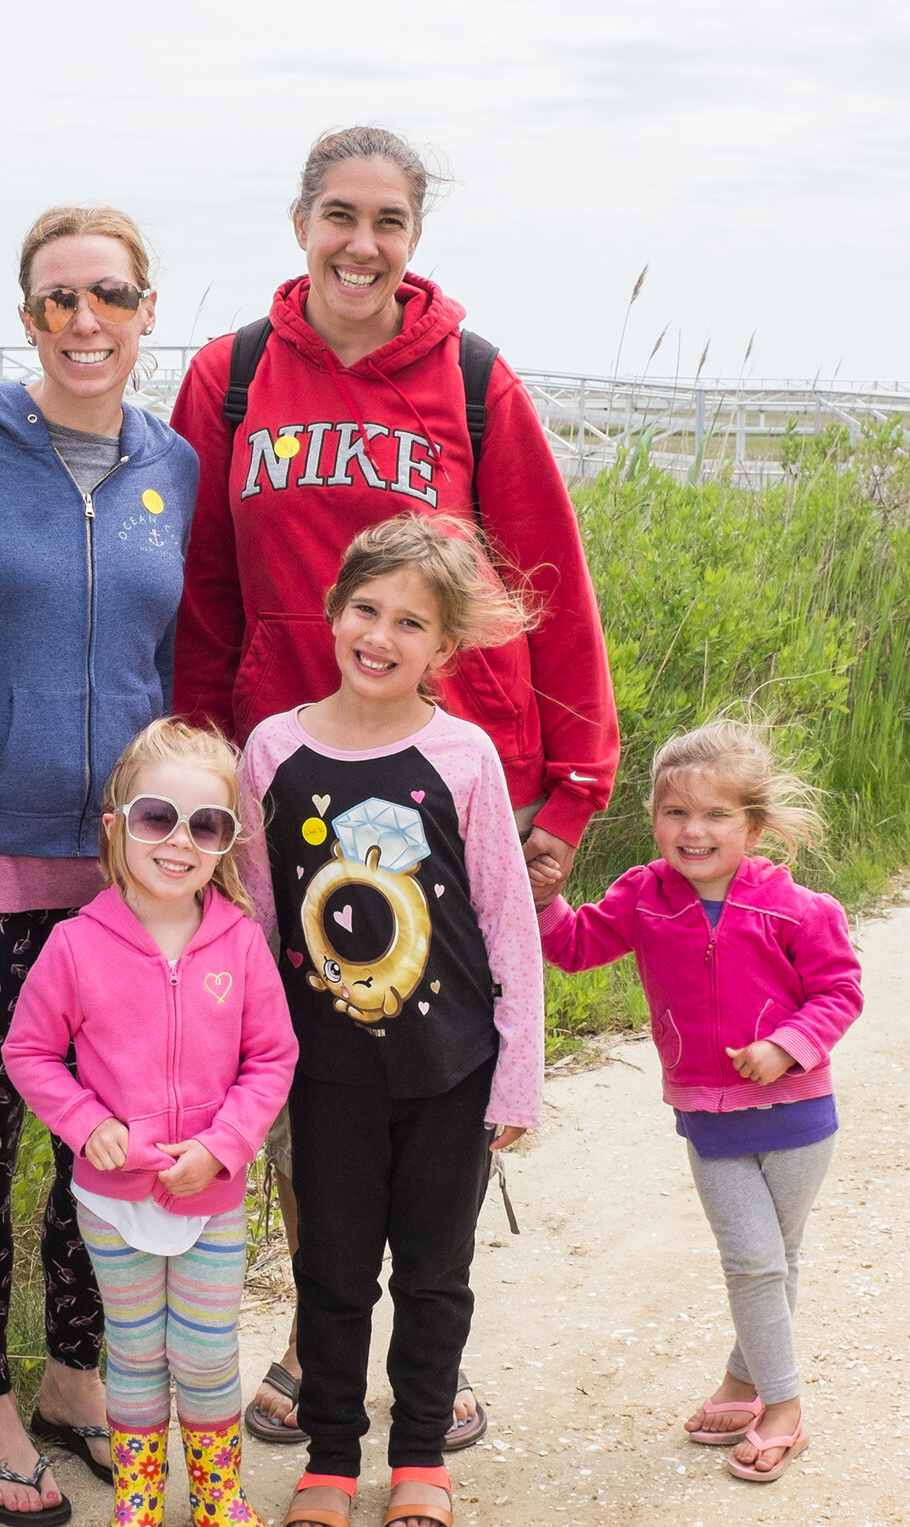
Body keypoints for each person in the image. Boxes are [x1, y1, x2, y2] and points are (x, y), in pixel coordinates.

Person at [168, 125, 619, 1449]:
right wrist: (200, 784)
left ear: (415, 238)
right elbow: (202, 590)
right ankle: (322, 1345)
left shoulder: (474, 385)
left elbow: (552, 592)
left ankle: (433, 1350)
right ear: (299, 220)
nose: (362, 244)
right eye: (340, 216)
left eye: (389, 222)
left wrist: (569, 794)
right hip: (282, 796)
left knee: (432, 1072)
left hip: (442, 799)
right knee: (309, 1076)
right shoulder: (232, 375)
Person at [0, 206, 197, 1527]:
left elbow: (167, 655)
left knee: (105, 1134)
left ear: (142, 314)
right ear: (27, 317)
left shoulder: (171, 463)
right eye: (58, 298)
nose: (85, 320)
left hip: (119, 870)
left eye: (109, 296)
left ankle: (77, 1377)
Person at [235, 515, 546, 1527]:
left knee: (431, 1270)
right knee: (327, 1271)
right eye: (365, 608)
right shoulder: (273, 751)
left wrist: (515, 1081)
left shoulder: (461, 755)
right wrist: (258, 1069)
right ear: (332, 612)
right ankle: (329, 1455)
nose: (380, 634)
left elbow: (505, 922)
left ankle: (418, 1450)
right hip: (325, 1075)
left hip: (447, 1070)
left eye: (409, 621)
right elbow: (258, 928)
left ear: (443, 649)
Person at [3, 718, 296, 1527]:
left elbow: (271, 1057)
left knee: (205, 1354)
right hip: (112, 1199)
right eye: (157, 817)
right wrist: (84, 1120)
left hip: (210, 1194)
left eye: (206, 826)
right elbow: (28, 1052)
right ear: (114, 823)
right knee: (132, 1352)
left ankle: (218, 1499)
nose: (179, 842)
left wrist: (224, 1144)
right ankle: (137, 1504)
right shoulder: (75, 945)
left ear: (228, 842)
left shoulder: (239, 944)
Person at [536, 720, 863, 1483]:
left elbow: (839, 991)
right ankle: (773, 1398)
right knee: (754, 1261)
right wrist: (546, 901)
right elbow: (577, 946)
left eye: (716, 815)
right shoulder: (643, 897)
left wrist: (788, 1043)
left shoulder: (797, 908)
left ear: (751, 824)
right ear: (653, 819)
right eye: (675, 812)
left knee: (772, 1262)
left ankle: (760, 1393)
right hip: (709, 1117)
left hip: (800, 1118)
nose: (693, 830)